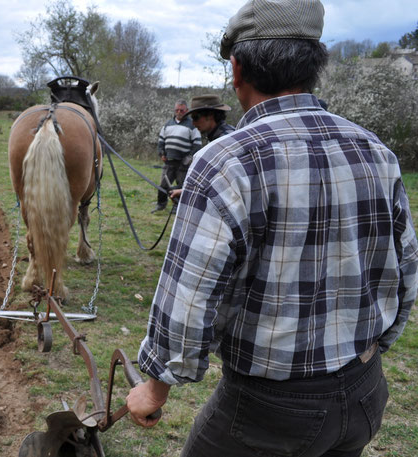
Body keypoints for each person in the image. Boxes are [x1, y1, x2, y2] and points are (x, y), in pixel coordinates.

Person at [127, 1, 418, 456]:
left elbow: (190, 296)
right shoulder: (376, 151)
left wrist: (156, 388)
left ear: (237, 69)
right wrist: (377, 346)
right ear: (314, 64)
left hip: (269, 412)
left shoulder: (224, 162)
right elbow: (405, 268)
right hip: (365, 392)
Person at [169, 95, 236, 202]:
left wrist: (187, 193)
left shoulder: (224, 141)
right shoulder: (219, 136)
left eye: (195, 118)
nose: (193, 123)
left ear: (210, 115)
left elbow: (223, 186)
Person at [152, 100, 202, 213]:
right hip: (169, 160)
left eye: (182, 110)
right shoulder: (168, 124)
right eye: (177, 110)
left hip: (183, 162)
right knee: (163, 184)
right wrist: (161, 153)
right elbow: (161, 141)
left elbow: (197, 144)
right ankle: (161, 204)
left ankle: (177, 207)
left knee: (181, 186)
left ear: (187, 111)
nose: (179, 112)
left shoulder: (192, 125)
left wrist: (189, 158)